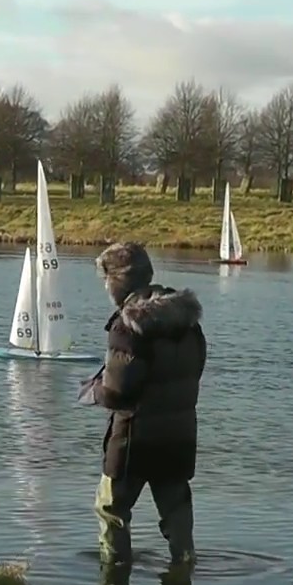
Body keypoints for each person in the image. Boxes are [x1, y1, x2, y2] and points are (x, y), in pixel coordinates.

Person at [89, 241, 207, 567]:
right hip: (180, 433)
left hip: (134, 438)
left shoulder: (126, 327)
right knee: (176, 510)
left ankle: (114, 584)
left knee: (111, 508)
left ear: (117, 281)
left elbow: (119, 392)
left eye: (105, 279)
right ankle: (183, 576)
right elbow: (196, 369)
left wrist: (96, 390)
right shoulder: (188, 320)